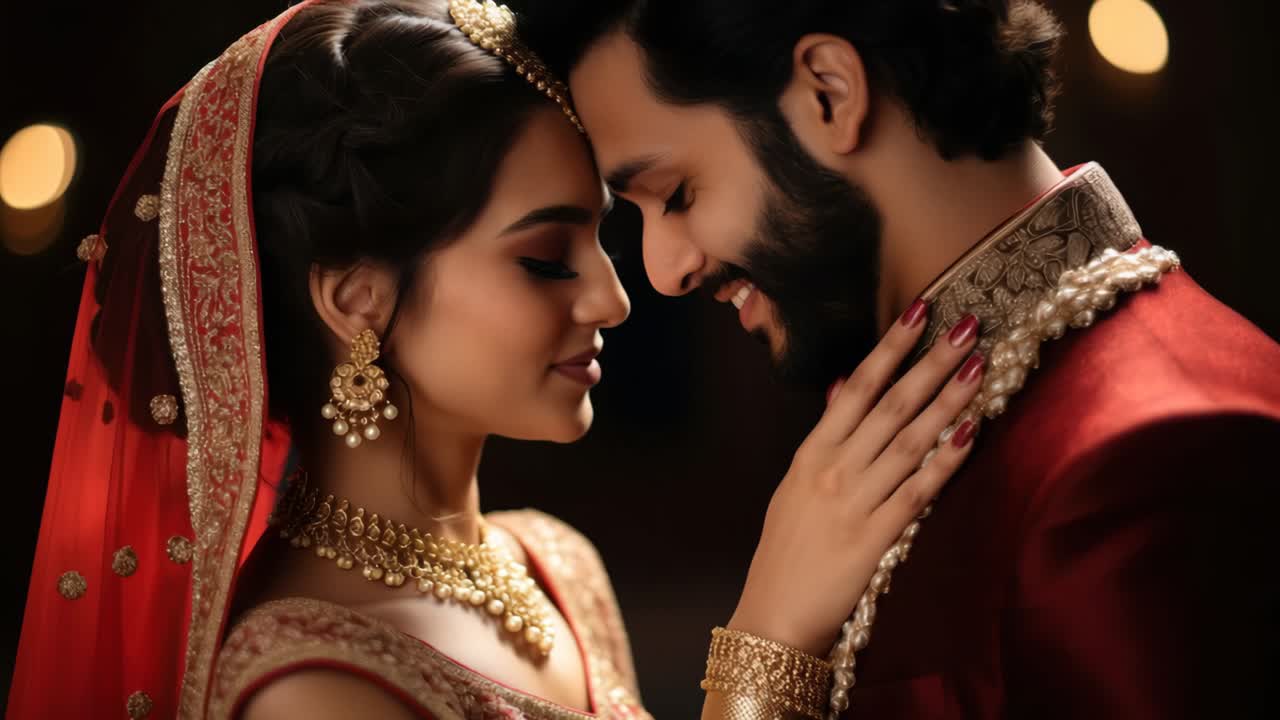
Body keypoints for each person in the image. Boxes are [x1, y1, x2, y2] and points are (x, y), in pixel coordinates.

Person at [9, 2, 987, 719]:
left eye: (601, 240)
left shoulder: (555, 565)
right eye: (543, 259)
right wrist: (767, 645)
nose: (612, 297)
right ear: (357, 301)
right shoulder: (310, 686)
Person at [515, 0, 1280, 717]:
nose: (663, 271)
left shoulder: (1153, 462)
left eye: (676, 193)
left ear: (830, 92)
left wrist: (763, 661)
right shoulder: (896, 429)